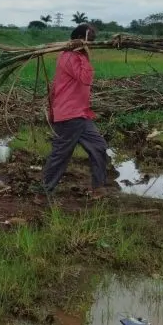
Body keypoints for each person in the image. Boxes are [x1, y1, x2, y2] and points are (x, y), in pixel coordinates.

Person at [39, 24, 112, 199]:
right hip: (69, 114)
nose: (92, 45)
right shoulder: (70, 57)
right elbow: (86, 78)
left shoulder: (74, 56)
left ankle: (98, 188)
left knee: (99, 147)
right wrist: (86, 56)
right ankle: (44, 192)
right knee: (61, 154)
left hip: (80, 113)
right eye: (90, 41)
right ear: (80, 40)